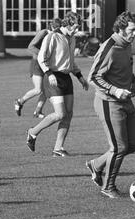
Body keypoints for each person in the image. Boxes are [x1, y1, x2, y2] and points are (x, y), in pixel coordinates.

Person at [86, 11, 135, 199]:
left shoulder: (127, 45)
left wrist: (134, 81)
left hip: (126, 101)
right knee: (119, 147)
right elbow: (93, 77)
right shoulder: (109, 47)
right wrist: (115, 90)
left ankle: (96, 165)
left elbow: (125, 68)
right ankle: (107, 187)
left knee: (134, 143)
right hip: (108, 102)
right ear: (121, 28)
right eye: (132, 30)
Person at [26, 12, 89, 157]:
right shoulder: (52, 36)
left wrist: (80, 77)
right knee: (60, 114)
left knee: (68, 114)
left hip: (66, 78)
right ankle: (32, 132)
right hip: (53, 78)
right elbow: (42, 57)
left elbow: (71, 61)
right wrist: (49, 73)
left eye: (78, 27)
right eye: (75, 27)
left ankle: (58, 148)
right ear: (67, 23)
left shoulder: (71, 38)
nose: (76, 30)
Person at [14, 18, 62, 119]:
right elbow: (30, 46)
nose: (58, 31)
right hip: (36, 63)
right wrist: (42, 54)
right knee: (38, 89)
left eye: (59, 29)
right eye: (56, 29)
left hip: (46, 64)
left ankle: (37, 111)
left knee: (46, 90)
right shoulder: (43, 33)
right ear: (52, 26)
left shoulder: (56, 36)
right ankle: (19, 102)